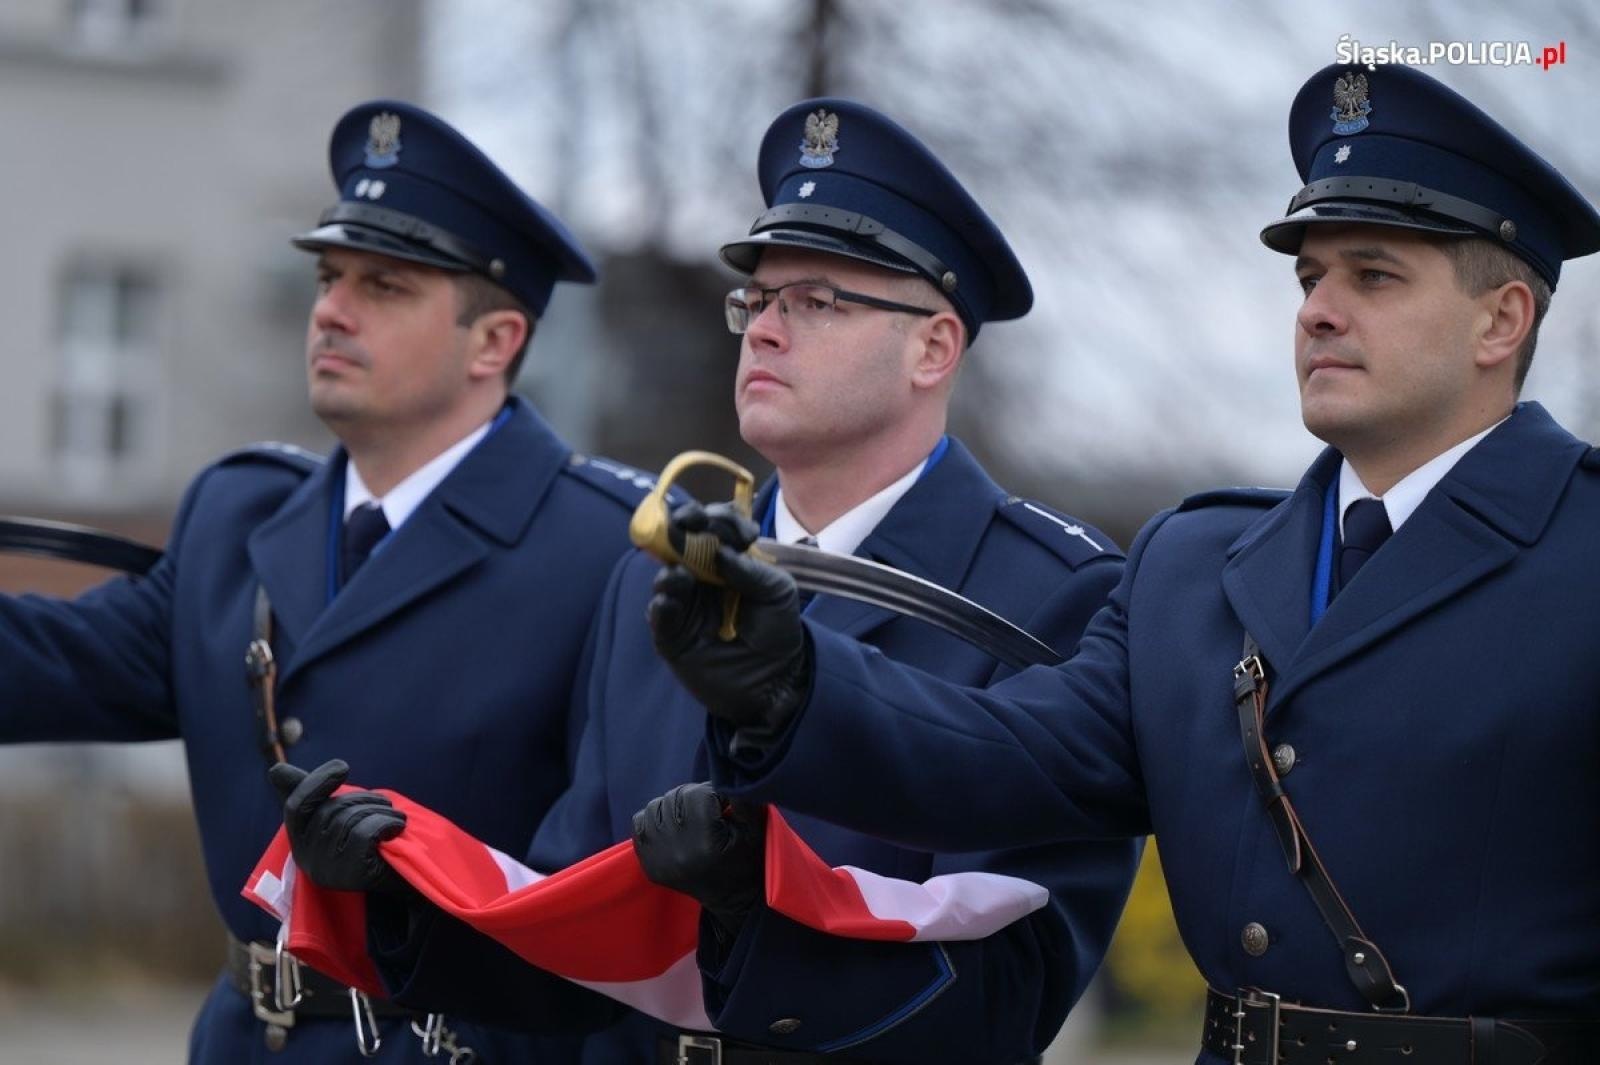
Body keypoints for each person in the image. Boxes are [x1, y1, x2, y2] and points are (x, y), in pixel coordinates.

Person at [648, 64, 1600, 1065]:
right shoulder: (1192, 568)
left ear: (1501, 321)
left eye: (1373, 276)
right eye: (1309, 277)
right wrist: (791, 684)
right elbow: (1015, 759)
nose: (1317, 310)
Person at [277, 99, 1141, 1064]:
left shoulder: (1046, 595)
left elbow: (1009, 997)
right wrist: (396, 903)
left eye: (816, 301)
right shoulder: (658, 576)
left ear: (933, 347)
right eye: (758, 300)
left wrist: (751, 919)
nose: (765, 330)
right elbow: (578, 935)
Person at [0, 99, 669, 1062]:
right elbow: (48, 661)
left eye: (384, 286)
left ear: (495, 342)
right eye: (328, 275)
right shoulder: (239, 516)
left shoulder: (606, 550)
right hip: (247, 1035)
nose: (332, 308)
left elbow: (620, 899)